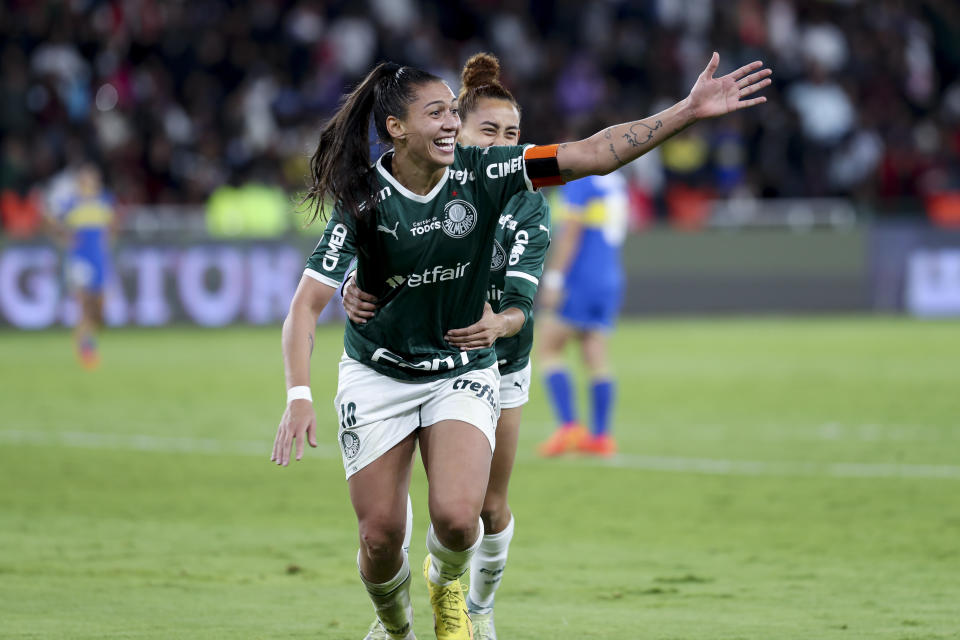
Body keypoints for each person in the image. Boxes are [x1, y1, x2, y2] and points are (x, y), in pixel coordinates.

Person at [271, 53, 771, 640]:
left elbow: (592, 152)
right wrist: (299, 394)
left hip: (460, 367)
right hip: (378, 372)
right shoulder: (363, 200)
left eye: (451, 115)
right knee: (379, 537)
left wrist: (687, 111)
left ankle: (449, 589)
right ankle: (396, 627)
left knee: (460, 520)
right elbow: (306, 304)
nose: (450, 126)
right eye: (435, 115)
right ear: (396, 128)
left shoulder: (486, 171)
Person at [341, 53, 551, 640]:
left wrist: (499, 325)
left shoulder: (527, 199)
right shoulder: (431, 183)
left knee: (484, 507)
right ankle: (416, 607)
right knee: (398, 523)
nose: (502, 143)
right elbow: (377, 254)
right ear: (456, 127)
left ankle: (476, 605)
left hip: (498, 358)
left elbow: (520, 304)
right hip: (414, 360)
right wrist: (356, 288)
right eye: (490, 131)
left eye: (513, 134)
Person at [536, 166, 629, 458]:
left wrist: (554, 279)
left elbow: (570, 234)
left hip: (580, 276)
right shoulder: (615, 181)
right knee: (595, 354)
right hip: (609, 275)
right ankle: (601, 436)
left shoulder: (582, 181)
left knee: (548, 348)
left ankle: (569, 427)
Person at [46, 163, 116, 369]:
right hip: (80, 260)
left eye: (92, 179)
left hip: (99, 259)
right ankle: (86, 349)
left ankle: (87, 340)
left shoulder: (104, 200)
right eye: (85, 179)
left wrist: (108, 240)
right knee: (85, 305)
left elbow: (113, 224)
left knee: (99, 309)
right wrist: (64, 237)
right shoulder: (71, 202)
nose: (89, 183)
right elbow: (49, 218)